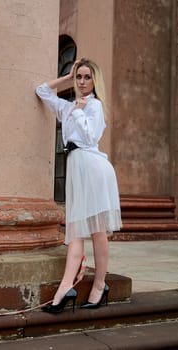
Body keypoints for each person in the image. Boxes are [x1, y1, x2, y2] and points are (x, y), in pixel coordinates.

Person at [36, 58, 122, 313]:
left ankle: (99, 286)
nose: (83, 82)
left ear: (95, 81)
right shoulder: (67, 106)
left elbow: (90, 137)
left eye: (87, 77)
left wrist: (80, 110)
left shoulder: (94, 106)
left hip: (93, 170)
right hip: (77, 169)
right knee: (75, 230)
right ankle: (64, 289)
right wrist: (66, 77)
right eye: (79, 77)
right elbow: (41, 91)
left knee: (96, 231)